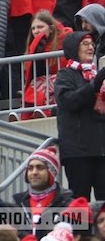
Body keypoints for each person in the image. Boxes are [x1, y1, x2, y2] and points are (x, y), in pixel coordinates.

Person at [54, 31, 105, 201]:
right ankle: (79, 230)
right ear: (73, 48)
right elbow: (70, 101)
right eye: (85, 44)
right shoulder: (65, 75)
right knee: (79, 204)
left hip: (101, 149)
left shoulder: (96, 74)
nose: (91, 47)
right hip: (77, 152)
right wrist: (96, 83)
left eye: (92, 44)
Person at [11, 146, 74, 238]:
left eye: (40, 168)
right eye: (30, 168)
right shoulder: (17, 203)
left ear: (51, 173)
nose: (34, 172)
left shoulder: (67, 203)